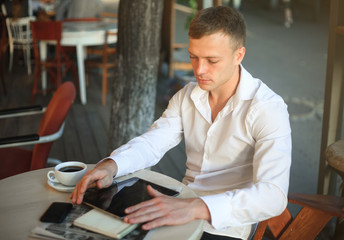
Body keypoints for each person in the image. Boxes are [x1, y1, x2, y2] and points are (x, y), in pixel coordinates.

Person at [71, 6, 292, 240]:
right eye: (193, 57)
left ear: (239, 55)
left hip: (224, 226)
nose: (199, 70)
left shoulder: (267, 108)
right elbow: (152, 143)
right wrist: (111, 165)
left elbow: (273, 195)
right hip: (178, 206)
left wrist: (196, 207)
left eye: (212, 60)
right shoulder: (187, 95)